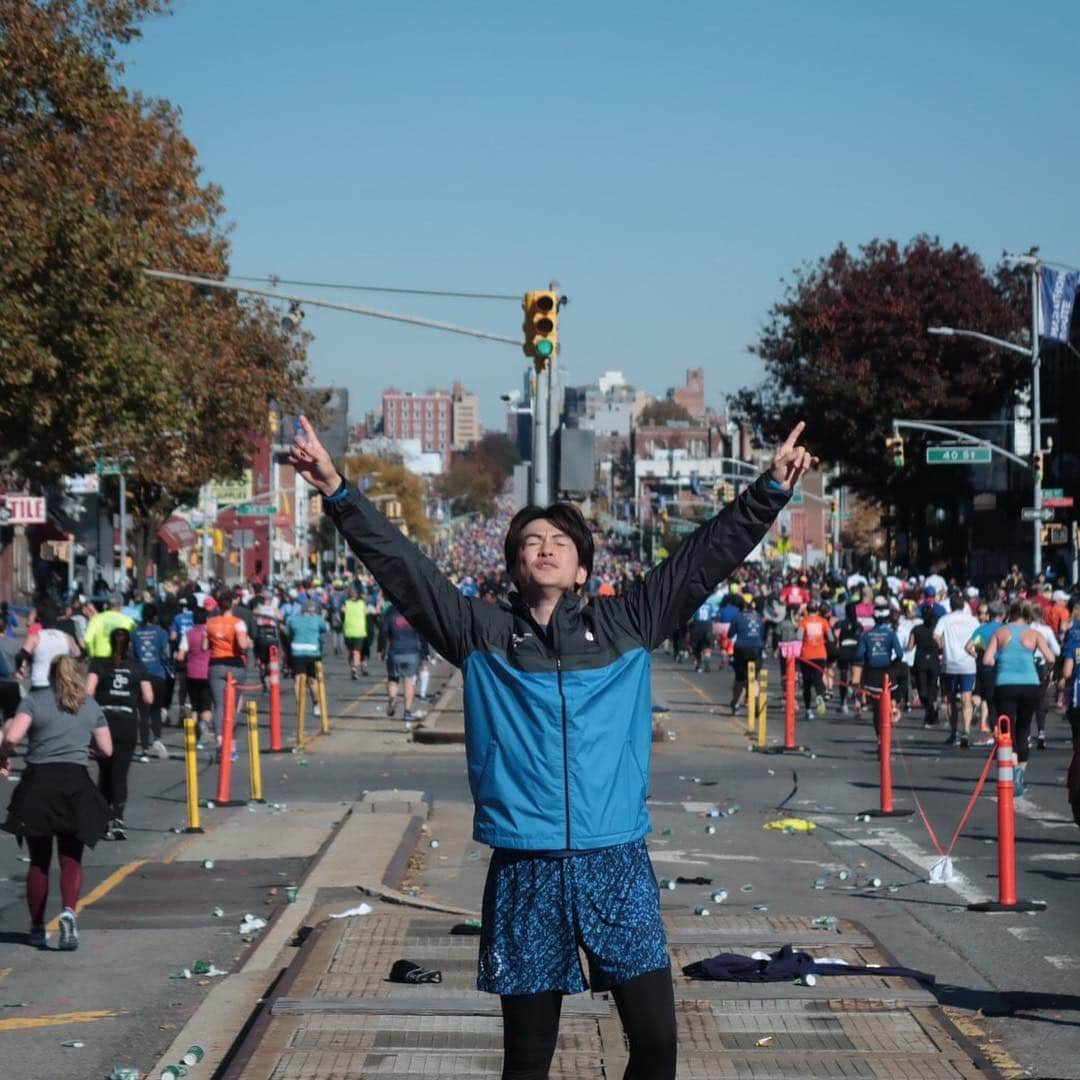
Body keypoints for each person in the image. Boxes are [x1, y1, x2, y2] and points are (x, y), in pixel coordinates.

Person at [289, 413, 815, 1080]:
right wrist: (337, 488)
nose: (545, 547)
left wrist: (768, 488)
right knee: (528, 1060)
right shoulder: (480, 634)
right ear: (513, 563)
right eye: (531, 540)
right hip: (524, 868)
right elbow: (403, 568)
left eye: (559, 540)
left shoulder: (626, 623)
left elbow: (699, 561)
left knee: (656, 1044)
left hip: (615, 861)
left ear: (582, 565)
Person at [1, 655, 113, 950]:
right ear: (77, 674)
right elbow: (107, 748)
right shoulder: (89, 704)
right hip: (75, 783)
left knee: (39, 860)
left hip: (38, 783)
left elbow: (12, 737)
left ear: (49, 676)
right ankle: (68, 912)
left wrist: (4, 754)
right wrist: (84, 748)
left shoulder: (35, 701)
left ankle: (37, 927)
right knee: (71, 857)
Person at [982, 602, 1056, 796]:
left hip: (1005, 684)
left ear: (1009, 614)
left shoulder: (1001, 632)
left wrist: (999, 662)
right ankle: (1020, 774)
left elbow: (987, 660)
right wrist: (1043, 673)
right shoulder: (1034, 634)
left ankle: (1012, 768)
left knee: (1008, 729)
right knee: (1024, 728)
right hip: (1030, 683)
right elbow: (1051, 657)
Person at [87, 628, 153, 839]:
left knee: (104, 773)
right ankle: (118, 819)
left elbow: (88, 693)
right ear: (130, 645)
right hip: (127, 723)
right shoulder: (137, 667)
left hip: (103, 723)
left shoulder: (99, 664)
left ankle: (102, 819)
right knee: (120, 774)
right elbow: (149, 698)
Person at [205, 591, 251, 761]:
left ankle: (219, 743)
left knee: (218, 706)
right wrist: (247, 643)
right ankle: (230, 747)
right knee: (231, 706)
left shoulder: (210, 623)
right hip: (235, 665)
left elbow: (204, 646)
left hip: (216, 665)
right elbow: (242, 645)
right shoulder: (238, 623)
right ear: (232, 604)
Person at [850, 601, 904, 734]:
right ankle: (892, 712)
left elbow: (858, 655)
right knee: (891, 698)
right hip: (887, 674)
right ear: (887, 618)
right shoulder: (891, 634)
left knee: (876, 709)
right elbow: (900, 654)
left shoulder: (866, 635)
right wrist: (893, 664)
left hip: (871, 676)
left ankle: (880, 737)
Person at [935, 593, 979, 748]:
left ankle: (953, 732)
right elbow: (979, 637)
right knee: (967, 698)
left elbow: (935, 636)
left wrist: (943, 645)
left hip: (950, 662)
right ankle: (966, 731)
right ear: (963, 606)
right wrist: (974, 651)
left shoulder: (945, 619)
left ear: (951, 606)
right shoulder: (972, 620)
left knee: (951, 700)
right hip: (968, 663)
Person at [132, 603, 172, 759]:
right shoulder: (161, 633)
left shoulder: (135, 633)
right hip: (158, 674)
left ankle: (144, 750)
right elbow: (166, 653)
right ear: (155, 616)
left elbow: (134, 654)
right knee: (156, 709)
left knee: (143, 712)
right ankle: (157, 738)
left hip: (142, 675)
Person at [378, 603, 424, 723]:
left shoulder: (390, 612)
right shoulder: (414, 611)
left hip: (395, 652)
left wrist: (381, 649)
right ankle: (407, 712)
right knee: (409, 681)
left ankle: (393, 698)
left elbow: (383, 631)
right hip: (412, 651)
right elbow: (423, 632)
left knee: (393, 678)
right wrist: (425, 652)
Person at [966, 600, 1003, 736]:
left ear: (989, 614)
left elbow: (968, 647)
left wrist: (977, 656)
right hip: (1003, 668)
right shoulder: (1006, 628)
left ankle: (994, 730)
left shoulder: (981, 630)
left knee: (990, 702)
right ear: (1003, 614)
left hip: (986, 669)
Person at [286, 600, 328, 718]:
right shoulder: (317, 619)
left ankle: (300, 706)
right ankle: (316, 705)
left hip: (297, 652)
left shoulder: (294, 620)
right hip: (313, 653)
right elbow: (324, 629)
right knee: (313, 681)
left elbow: (288, 634)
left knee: (298, 680)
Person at [24, 605, 80, 693]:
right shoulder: (67, 637)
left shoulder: (35, 638)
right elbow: (77, 654)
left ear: (41, 622)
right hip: (61, 681)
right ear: (56, 621)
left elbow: (24, 655)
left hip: (40, 681)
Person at [177, 608, 213, 748]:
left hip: (191, 673)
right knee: (206, 705)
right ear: (206, 619)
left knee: (194, 706)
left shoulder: (188, 634)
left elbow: (181, 656)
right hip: (206, 673)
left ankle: (194, 737)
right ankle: (203, 729)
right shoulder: (209, 633)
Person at [728, 596, 765, 714]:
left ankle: (736, 703)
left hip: (741, 649)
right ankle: (753, 699)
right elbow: (762, 635)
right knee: (754, 678)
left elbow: (730, 634)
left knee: (739, 678)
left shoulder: (738, 617)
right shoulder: (759, 617)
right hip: (756, 649)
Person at [797, 601, 832, 721]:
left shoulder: (804, 622)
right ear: (817, 610)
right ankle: (820, 695)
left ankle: (808, 710)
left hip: (806, 655)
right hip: (820, 655)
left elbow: (798, 637)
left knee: (806, 684)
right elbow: (831, 637)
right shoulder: (823, 621)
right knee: (818, 678)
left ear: (807, 609)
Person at [910, 607, 942, 730]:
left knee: (922, 689)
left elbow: (910, 646)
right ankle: (932, 710)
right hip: (934, 661)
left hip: (920, 661)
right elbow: (941, 645)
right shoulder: (937, 630)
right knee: (932, 688)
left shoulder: (916, 629)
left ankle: (929, 710)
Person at [83, 593, 135, 660]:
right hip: (119, 659)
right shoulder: (128, 621)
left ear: (107, 605)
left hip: (100, 659)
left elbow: (87, 640)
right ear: (121, 605)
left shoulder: (96, 619)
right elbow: (133, 641)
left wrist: (92, 654)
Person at [342, 585, 370, 679]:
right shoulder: (362, 604)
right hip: (360, 631)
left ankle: (352, 667)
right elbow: (367, 614)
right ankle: (355, 668)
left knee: (350, 651)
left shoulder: (346, 603)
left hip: (348, 631)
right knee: (357, 651)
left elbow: (342, 614)